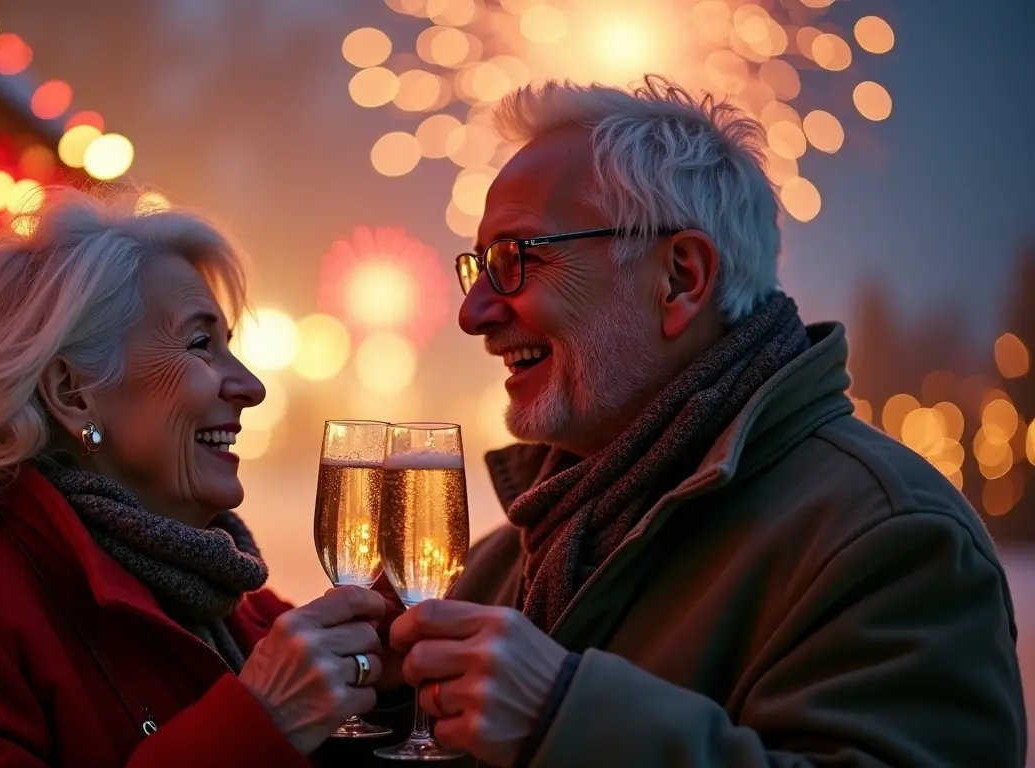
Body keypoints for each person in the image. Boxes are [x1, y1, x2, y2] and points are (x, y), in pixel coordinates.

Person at [386, 77, 1027, 766]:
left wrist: (567, 719)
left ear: (681, 278)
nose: (473, 313)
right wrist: (333, 699)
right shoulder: (503, 562)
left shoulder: (891, 540)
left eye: (517, 259)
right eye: (479, 266)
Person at [0, 186, 390, 766]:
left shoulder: (229, 601)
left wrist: (419, 662)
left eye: (229, 346)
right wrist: (259, 722)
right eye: (200, 344)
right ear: (72, 392)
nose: (251, 386)